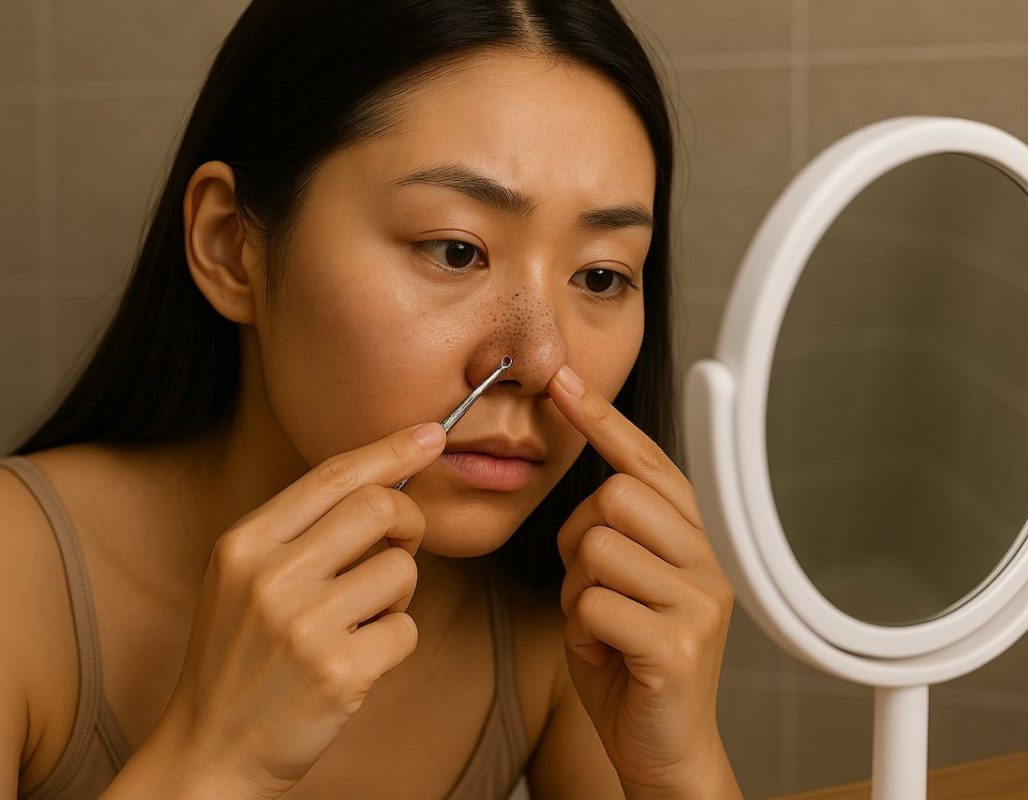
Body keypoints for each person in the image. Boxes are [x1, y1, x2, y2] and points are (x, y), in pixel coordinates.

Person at [0, 2, 742, 798]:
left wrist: (679, 766)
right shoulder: (17, 581)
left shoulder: (563, 622)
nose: (537, 358)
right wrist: (218, 759)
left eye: (600, 276)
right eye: (457, 251)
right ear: (229, 245)